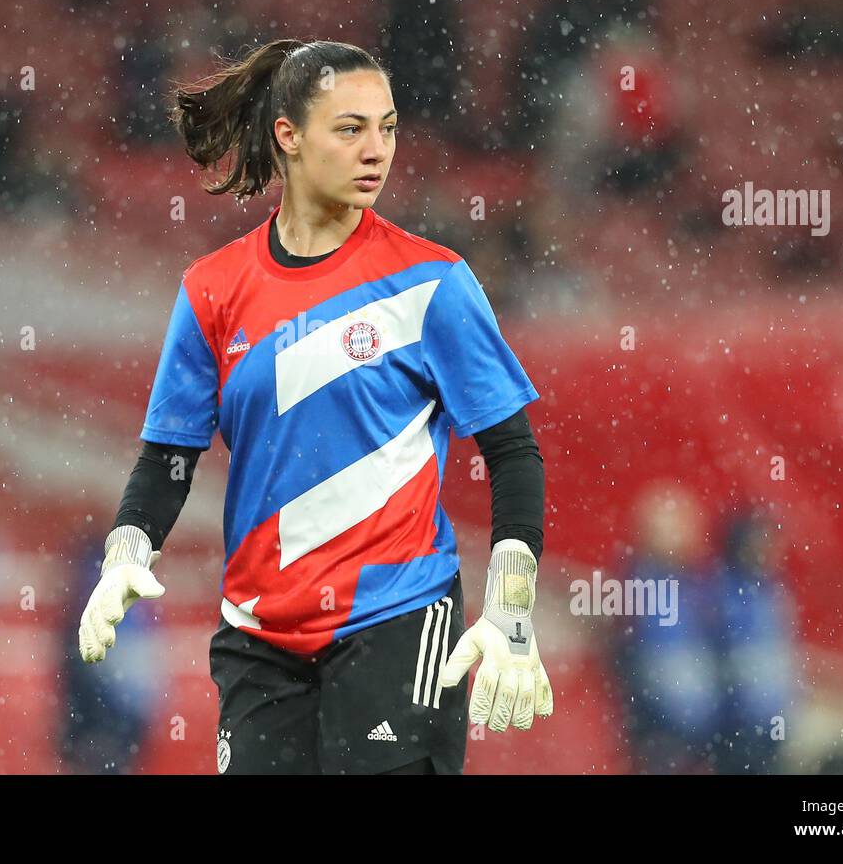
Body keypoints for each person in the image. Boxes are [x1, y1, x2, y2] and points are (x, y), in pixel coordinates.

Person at [77, 39, 553, 775]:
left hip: (398, 618)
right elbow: (170, 457)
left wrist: (512, 609)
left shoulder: (433, 283)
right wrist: (126, 551)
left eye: (389, 128)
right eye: (351, 128)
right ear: (288, 137)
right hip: (258, 638)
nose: (377, 151)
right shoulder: (212, 288)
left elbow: (513, 452)